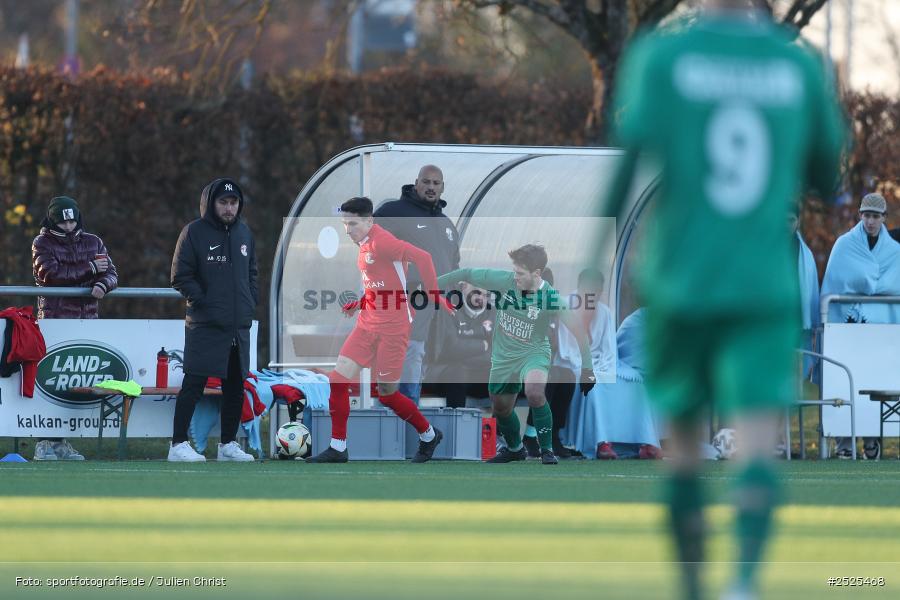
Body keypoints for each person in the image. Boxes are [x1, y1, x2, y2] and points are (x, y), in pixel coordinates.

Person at [603, 0, 846, 598]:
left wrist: (590, 263)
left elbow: (627, 166)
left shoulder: (664, 56)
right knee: (757, 439)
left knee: (684, 446)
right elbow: (827, 175)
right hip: (761, 282)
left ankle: (693, 586)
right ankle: (743, 580)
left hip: (681, 280)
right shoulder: (796, 64)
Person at [306, 196, 455, 463]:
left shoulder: (383, 242)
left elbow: (424, 257)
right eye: (344, 224)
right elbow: (381, 282)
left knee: (387, 395)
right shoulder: (363, 243)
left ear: (369, 221)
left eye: (352, 224)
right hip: (367, 324)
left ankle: (429, 435)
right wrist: (361, 302)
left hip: (393, 329)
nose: (347, 230)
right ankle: (338, 447)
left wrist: (434, 294)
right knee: (338, 381)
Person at [438, 244, 597, 465]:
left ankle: (546, 449)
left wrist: (588, 369)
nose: (515, 277)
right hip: (503, 356)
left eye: (520, 273)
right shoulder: (504, 281)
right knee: (501, 408)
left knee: (534, 392)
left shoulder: (550, 297)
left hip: (534, 353)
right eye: (515, 271)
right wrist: (430, 285)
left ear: (536, 273)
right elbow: (466, 273)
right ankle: (515, 449)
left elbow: (579, 331)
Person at [168, 178, 258, 462]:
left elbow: (252, 274)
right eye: (223, 202)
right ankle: (178, 444)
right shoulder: (193, 232)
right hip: (205, 324)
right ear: (211, 203)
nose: (229, 208)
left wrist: (249, 303)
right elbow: (180, 276)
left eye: (233, 203)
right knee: (194, 383)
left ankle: (228, 445)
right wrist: (205, 303)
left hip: (237, 327)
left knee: (235, 387)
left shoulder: (244, 233)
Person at [31, 195, 119, 461]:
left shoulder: (94, 241)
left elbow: (111, 272)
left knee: (74, 382)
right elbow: (51, 275)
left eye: (72, 221)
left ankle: (60, 442)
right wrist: (90, 268)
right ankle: (43, 441)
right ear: (53, 221)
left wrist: (103, 284)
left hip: (87, 320)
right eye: (63, 222)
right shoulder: (42, 243)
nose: (69, 226)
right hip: (54, 319)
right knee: (50, 380)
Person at [821, 192, 900, 460]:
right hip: (847, 325)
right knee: (844, 380)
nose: (870, 221)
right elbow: (835, 280)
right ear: (860, 216)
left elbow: (894, 282)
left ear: (884, 218)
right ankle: (843, 441)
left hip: (879, 329)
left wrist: (874, 287)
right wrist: (873, 287)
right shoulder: (844, 245)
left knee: (875, 380)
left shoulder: (894, 251)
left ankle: (871, 439)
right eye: (866, 215)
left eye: (875, 216)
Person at [374, 165, 461, 404]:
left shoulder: (446, 224)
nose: (431, 187)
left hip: (439, 307)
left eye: (436, 183)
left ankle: (408, 411)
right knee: (411, 352)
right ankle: (404, 409)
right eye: (426, 182)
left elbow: (454, 263)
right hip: (408, 303)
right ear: (416, 183)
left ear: (442, 187)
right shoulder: (393, 212)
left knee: (425, 356)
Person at [423, 281, 493, 408]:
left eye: (486, 294)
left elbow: (497, 352)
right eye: (477, 292)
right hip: (445, 376)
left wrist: (465, 350)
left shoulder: (493, 313)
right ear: (464, 287)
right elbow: (450, 348)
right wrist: (483, 345)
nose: (481, 297)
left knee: (507, 375)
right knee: (458, 372)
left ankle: (502, 420)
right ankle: (457, 420)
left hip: (478, 374)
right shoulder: (448, 308)